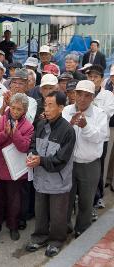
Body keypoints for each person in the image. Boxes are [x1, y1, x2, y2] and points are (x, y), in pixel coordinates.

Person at [26, 91, 76, 257]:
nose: (46, 109)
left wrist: (40, 161)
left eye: (50, 105)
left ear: (61, 108)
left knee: (57, 215)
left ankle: (56, 240)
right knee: (40, 212)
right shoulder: (40, 124)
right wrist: (32, 155)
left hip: (58, 181)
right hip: (41, 178)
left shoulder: (68, 131)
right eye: (45, 105)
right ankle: (39, 237)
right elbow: (33, 143)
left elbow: (61, 160)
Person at [62, 80, 107, 238]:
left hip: (90, 165)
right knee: (66, 199)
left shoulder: (99, 114)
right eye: (79, 94)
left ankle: (82, 229)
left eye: (87, 95)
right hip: (68, 163)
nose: (82, 98)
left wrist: (85, 126)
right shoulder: (66, 110)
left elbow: (100, 137)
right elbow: (59, 134)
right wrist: (69, 124)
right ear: (74, 94)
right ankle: (65, 227)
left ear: (92, 97)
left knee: (86, 201)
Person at [0, 93, 34, 241]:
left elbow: (25, 147)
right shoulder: (1, 119)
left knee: (14, 201)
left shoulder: (28, 125)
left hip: (16, 170)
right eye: (13, 108)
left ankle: (13, 226)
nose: (15, 112)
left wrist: (15, 134)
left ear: (25, 111)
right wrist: (5, 134)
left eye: (19, 109)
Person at [85, 65, 114, 215]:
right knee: (86, 169)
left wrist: (92, 108)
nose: (92, 79)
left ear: (102, 79)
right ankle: (86, 198)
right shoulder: (84, 93)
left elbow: (107, 113)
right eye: (90, 76)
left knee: (99, 168)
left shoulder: (108, 95)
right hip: (84, 136)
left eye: (95, 77)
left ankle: (98, 197)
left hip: (101, 137)